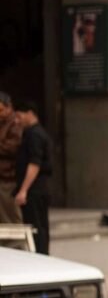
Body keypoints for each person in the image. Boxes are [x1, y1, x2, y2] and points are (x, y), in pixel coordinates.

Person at [13, 99, 52, 254]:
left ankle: (40, 257)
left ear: (30, 113)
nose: (17, 121)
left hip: (35, 191)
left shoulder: (34, 135)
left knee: (36, 229)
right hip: (37, 189)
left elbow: (34, 164)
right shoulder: (34, 133)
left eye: (19, 116)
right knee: (39, 227)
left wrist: (23, 190)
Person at [0, 92, 22, 224]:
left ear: (9, 107)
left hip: (9, 175)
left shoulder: (15, 122)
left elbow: (12, 146)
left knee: (10, 213)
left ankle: (16, 244)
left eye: (1, 110)